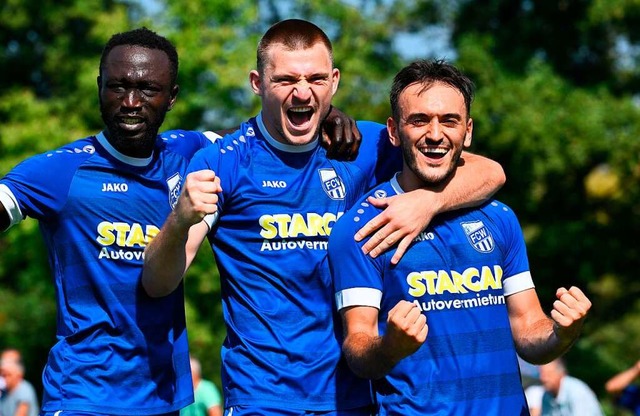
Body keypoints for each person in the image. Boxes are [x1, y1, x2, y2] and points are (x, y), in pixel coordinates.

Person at [143, 20, 506, 415]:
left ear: (333, 82)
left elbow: (490, 173)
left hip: (358, 394)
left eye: (316, 78)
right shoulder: (223, 161)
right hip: (264, 398)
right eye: (285, 80)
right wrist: (179, 219)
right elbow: (158, 283)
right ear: (257, 83)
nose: (302, 92)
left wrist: (427, 203)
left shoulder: (365, 146)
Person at [0, 26, 364, 415]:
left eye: (148, 90)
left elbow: (260, 134)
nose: (131, 102)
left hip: (164, 396)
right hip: (84, 393)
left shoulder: (188, 152)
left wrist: (325, 113)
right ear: (99, 88)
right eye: (118, 87)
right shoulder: (59, 171)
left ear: (171, 97)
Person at [327, 59, 593, 415]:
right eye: (419, 120)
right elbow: (358, 349)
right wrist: (391, 345)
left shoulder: (500, 218)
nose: (435, 134)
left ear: (467, 132)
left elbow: (529, 331)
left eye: (448, 121)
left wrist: (562, 333)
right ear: (393, 131)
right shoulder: (360, 227)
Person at [539, 358, 603, 415]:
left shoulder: (577, 391)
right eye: (542, 374)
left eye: (548, 374)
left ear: (560, 373)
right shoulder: (546, 396)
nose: (543, 379)